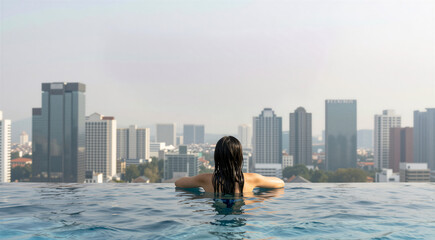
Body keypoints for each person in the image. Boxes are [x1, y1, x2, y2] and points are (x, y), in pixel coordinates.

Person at [175, 136, 284, 194]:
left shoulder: (206, 179)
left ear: (217, 157)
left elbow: (178, 183)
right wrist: (260, 198)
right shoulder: (252, 179)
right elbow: (280, 183)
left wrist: (197, 198)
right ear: (239, 157)